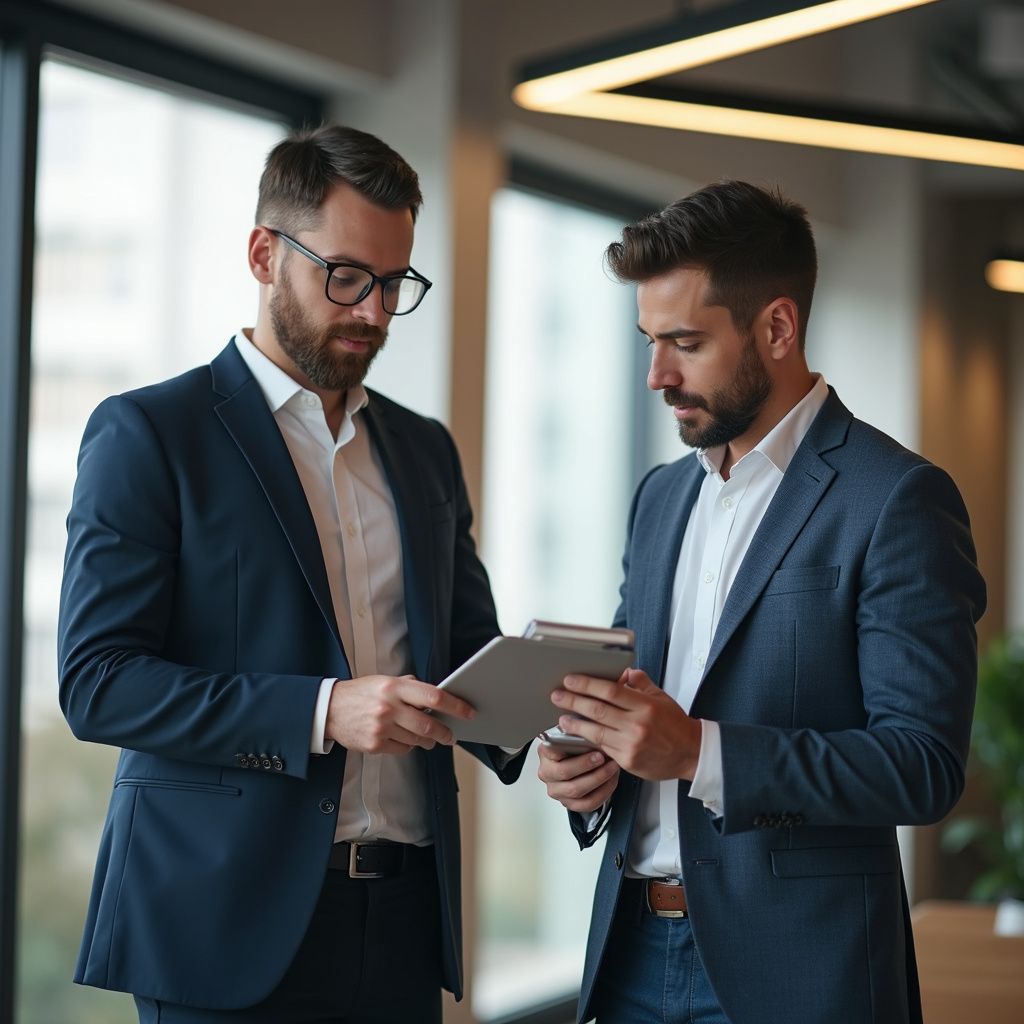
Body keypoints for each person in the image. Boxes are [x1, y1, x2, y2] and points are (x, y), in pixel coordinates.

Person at [58, 123, 526, 1024]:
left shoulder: (423, 451)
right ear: (264, 253)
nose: (375, 313)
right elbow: (97, 683)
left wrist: (551, 719)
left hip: (399, 920)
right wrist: (322, 710)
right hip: (220, 920)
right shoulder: (151, 435)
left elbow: (465, 655)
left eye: (395, 284)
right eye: (347, 277)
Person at [537, 180, 986, 1024]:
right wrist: (595, 763)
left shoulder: (897, 500)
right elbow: (645, 709)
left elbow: (922, 766)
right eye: (648, 342)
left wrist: (699, 753)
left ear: (777, 328)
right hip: (629, 957)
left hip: (799, 974)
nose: (656, 376)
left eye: (685, 343)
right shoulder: (661, 497)